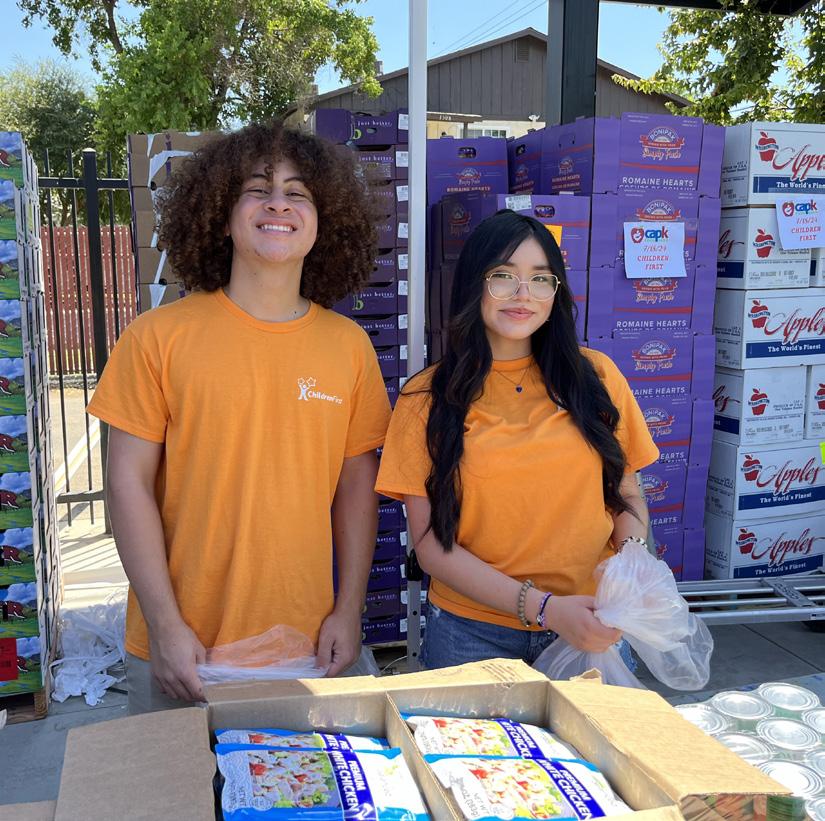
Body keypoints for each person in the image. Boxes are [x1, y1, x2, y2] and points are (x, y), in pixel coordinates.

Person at [88, 122, 391, 712]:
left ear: (324, 221)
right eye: (258, 189)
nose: (278, 203)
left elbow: (357, 486)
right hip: (182, 651)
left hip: (308, 644)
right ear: (222, 217)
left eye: (298, 193)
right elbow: (127, 486)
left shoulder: (349, 347)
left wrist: (349, 609)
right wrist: (165, 625)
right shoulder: (157, 338)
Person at [376, 210, 659, 670]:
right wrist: (546, 609)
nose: (523, 294)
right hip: (471, 633)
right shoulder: (426, 398)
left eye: (541, 279)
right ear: (474, 284)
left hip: (591, 621)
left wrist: (630, 565)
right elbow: (430, 546)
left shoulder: (598, 377)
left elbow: (626, 492)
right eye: (504, 276)